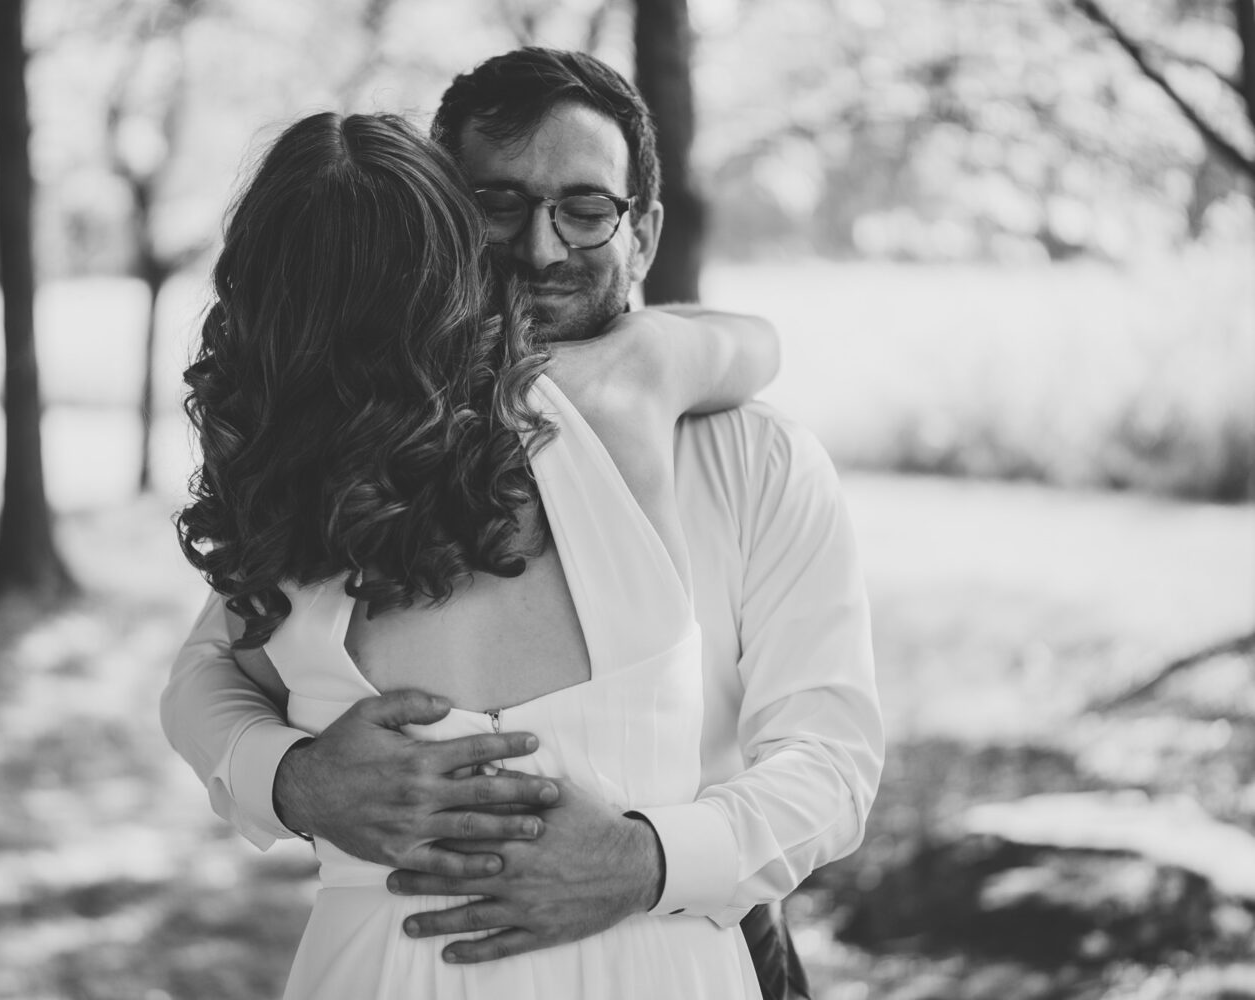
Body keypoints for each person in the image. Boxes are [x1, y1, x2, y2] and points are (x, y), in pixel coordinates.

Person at [164, 48, 882, 998]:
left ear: (646, 232)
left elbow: (831, 762)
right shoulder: (351, 465)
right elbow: (207, 678)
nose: (541, 250)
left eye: (585, 212)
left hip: (708, 918)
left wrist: (647, 861)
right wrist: (292, 779)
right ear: (439, 220)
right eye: (497, 204)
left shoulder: (757, 456)